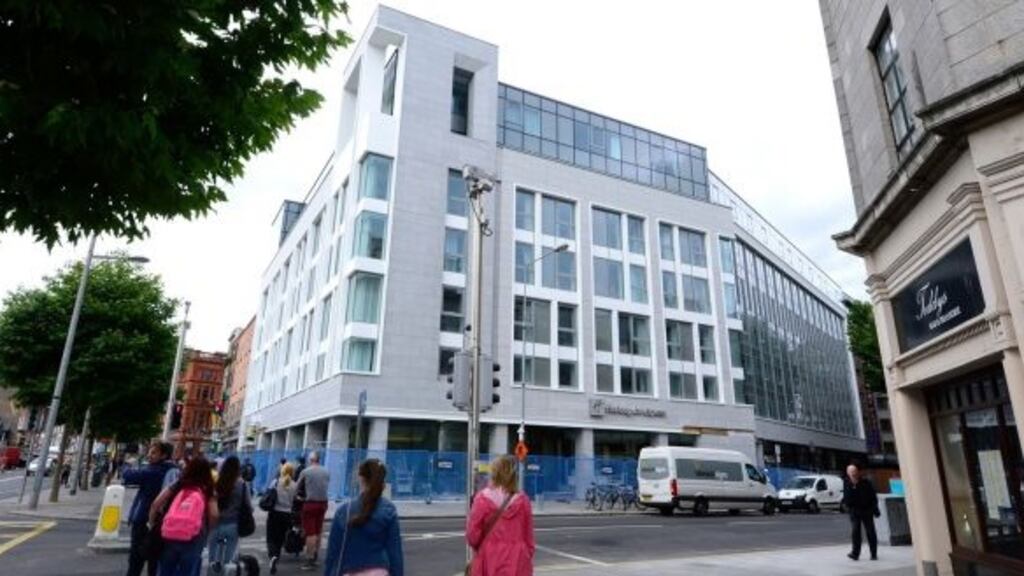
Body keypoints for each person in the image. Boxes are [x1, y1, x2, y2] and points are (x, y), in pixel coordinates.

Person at [323, 459, 403, 576]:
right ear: (383, 481)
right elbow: (395, 553)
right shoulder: (389, 510)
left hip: (349, 570)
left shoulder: (344, 511)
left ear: (360, 478)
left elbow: (333, 552)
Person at [150, 456, 219, 576]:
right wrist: (208, 530)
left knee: (166, 569)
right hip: (195, 536)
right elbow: (214, 514)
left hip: (170, 532)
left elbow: (156, 504)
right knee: (188, 570)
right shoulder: (208, 488)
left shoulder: (179, 484)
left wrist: (151, 523)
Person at [466, 455, 534, 576]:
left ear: (494, 473)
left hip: (489, 558)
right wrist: (526, 555)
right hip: (518, 560)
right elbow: (529, 538)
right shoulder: (523, 501)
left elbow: (473, 536)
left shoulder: (482, 499)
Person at [122, 441, 179, 576]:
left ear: (164, 455)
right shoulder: (175, 471)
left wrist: (127, 464)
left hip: (144, 519)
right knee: (155, 558)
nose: (149, 455)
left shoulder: (153, 471)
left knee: (136, 558)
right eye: (149, 452)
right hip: (164, 520)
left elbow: (128, 476)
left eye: (153, 453)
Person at [208, 456, 252, 573]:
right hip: (233, 524)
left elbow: (211, 500)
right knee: (229, 560)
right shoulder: (242, 484)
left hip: (216, 524)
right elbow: (248, 505)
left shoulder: (217, 481)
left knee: (212, 559)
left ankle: (213, 572)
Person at [295, 451, 329, 571]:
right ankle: (315, 556)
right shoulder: (326, 471)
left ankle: (309, 560)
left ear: (311, 459)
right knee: (318, 530)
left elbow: (297, 487)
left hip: (310, 503)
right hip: (323, 503)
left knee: (310, 533)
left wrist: (298, 497)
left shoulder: (306, 471)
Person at [265, 463, 298, 575]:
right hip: (287, 515)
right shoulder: (294, 485)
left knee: (271, 537)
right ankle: (276, 556)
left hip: (274, 513)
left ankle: (272, 556)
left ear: (282, 471)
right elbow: (295, 500)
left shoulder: (276, 482)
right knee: (280, 538)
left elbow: (268, 493)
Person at [843, 463, 880, 561]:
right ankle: (855, 553)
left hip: (867, 510)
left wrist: (874, 508)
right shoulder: (846, 482)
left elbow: (873, 496)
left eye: (854, 471)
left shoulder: (865, 482)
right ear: (848, 473)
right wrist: (848, 506)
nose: (853, 473)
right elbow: (847, 497)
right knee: (855, 532)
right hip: (855, 511)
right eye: (851, 472)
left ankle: (873, 554)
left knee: (870, 532)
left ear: (857, 472)